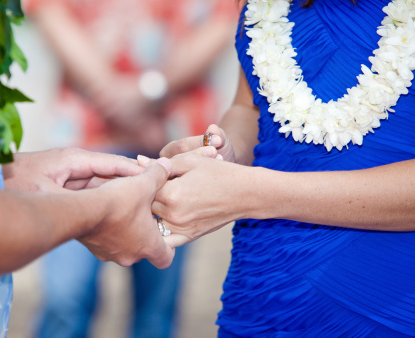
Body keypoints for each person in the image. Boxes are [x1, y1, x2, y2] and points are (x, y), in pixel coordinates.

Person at [0, 1, 197, 336]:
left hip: (166, 125)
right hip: (94, 126)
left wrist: (10, 174)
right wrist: (99, 211)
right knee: (66, 301)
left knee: (157, 308)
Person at [142, 0, 415, 336]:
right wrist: (224, 152)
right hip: (262, 288)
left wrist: (252, 192)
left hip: (389, 299)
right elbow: (249, 108)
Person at [21, 1, 238, 337]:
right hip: (87, 139)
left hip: (171, 144)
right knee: (65, 299)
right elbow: (50, 11)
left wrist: (147, 91)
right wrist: (132, 105)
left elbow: (222, 21)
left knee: (155, 306)